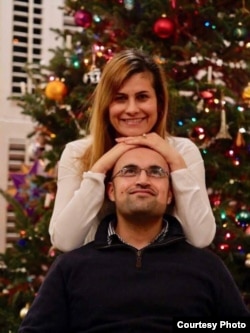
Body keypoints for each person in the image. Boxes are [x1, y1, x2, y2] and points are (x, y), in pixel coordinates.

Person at [18, 147, 250, 333]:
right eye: (129, 171)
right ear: (110, 191)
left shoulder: (207, 267)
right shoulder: (70, 267)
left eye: (156, 172)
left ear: (170, 194)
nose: (142, 180)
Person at [49, 48, 216, 252]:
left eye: (142, 97)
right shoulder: (77, 152)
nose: (132, 109)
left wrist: (176, 163)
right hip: (100, 275)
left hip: (165, 273)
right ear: (106, 105)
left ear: (159, 103)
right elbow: (64, 241)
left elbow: (201, 237)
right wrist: (100, 168)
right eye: (120, 98)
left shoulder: (183, 151)